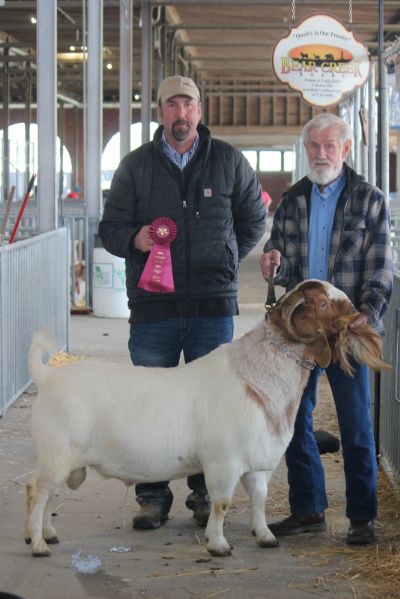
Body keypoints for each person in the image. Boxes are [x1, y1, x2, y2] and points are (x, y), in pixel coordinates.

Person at [98, 75, 266, 530]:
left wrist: (227, 260)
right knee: (148, 402)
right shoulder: (134, 167)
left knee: (210, 405)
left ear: (199, 111)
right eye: (171, 105)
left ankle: (205, 496)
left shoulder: (229, 160)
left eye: (188, 104)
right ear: (159, 112)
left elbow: (253, 219)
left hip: (213, 305)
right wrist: (138, 238)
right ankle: (152, 496)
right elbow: (109, 229)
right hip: (154, 308)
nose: (181, 113)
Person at [260, 113, 393, 545]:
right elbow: (281, 256)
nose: (321, 154)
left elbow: (381, 268)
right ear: (306, 150)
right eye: (314, 146)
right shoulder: (292, 199)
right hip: (303, 330)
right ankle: (308, 507)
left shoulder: (370, 199)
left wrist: (367, 313)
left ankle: (362, 516)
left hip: (347, 328)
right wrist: (271, 262)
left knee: (355, 424)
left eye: (329, 146)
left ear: (346, 149)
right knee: (296, 419)